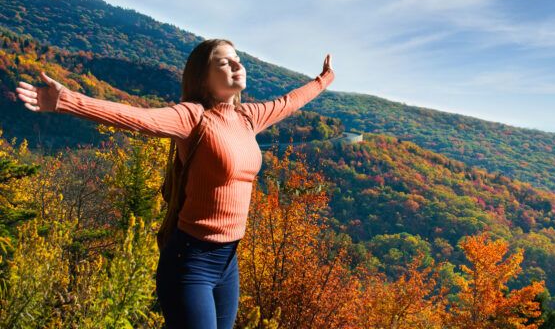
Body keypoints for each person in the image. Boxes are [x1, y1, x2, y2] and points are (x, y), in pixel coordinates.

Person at [14, 39, 335, 328]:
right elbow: (138, 117)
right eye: (225, 62)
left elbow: (289, 102)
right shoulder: (193, 116)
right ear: (203, 78)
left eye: (238, 59)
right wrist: (65, 100)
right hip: (190, 263)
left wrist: (324, 80)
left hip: (228, 264)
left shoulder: (249, 117)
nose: (238, 65)